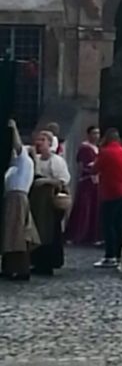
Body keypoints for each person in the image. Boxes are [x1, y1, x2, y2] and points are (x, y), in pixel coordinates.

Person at [29, 130, 72, 276]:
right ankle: (36, 261)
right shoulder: (36, 159)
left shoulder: (56, 161)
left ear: (49, 142)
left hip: (50, 201)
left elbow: (63, 180)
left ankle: (48, 263)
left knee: (50, 232)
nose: (39, 142)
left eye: (43, 139)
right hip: (37, 202)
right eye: (38, 139)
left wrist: (46, 181)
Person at [1, 119, 38, 281]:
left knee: (17, 236)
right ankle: (9, 267)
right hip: (11, 198)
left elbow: (18, 147)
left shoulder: (25, 161)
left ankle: (21, 269)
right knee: (9, 235)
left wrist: (14, 129)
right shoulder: (14, 165)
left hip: (17, 198)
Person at [94, 129, 122, 269]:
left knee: (108, 224)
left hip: (110, 192)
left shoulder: (105, 152)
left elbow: (95, 169)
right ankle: (120, 254)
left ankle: (110, 256)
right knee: (119, 224)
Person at [65, 126, 101, 245]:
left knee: (94, 207)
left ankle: (91, 235)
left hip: (96, 181)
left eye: (98, 133)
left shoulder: (97, 148)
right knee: (84, 207)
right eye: (94, 133)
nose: (96, 136)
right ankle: (78, 234)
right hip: (87, 180)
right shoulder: (85, 148)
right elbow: (81, 165)